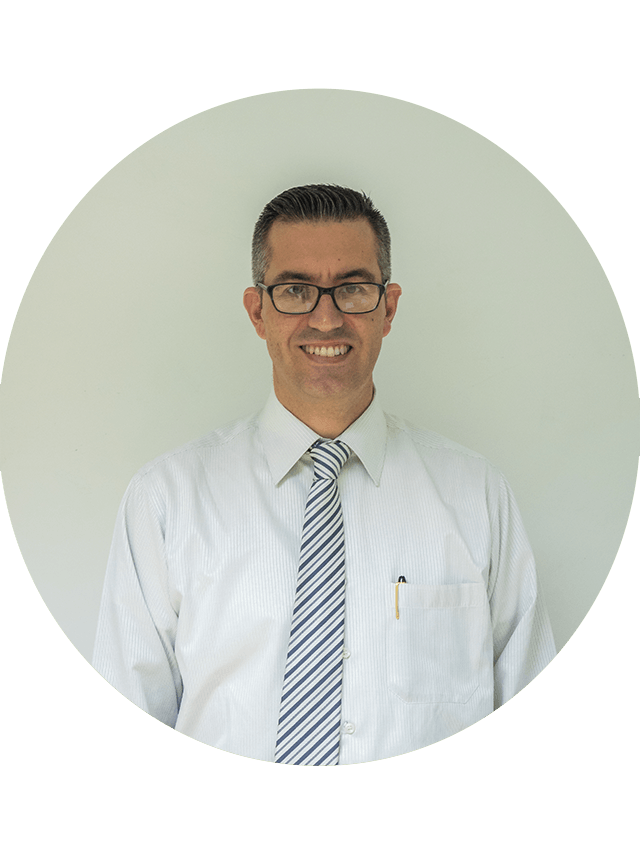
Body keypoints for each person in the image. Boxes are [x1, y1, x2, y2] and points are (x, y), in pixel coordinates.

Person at [93, 184, 556, 765]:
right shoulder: (166, 500)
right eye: (295, 290)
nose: (327, 318)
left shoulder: (477, 495)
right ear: (257, 311)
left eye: (353, 289)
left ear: (388, 308)